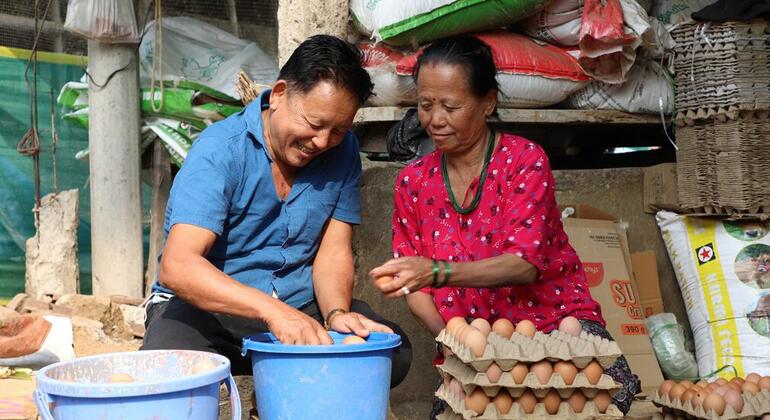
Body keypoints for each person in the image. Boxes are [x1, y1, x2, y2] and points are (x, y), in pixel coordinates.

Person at [368, 35, 639, 415]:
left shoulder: (524, 162)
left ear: (488, 102)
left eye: (451, 106)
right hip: (475, 350)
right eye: (426, 105)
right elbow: (415, 288)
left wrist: (436, 272)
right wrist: (455, 340)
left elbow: (523, 264)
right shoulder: (413, 182)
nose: (435, 119)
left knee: (592, 398)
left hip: (552, 326)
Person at [141, 35, 411, 387]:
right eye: (314, 124)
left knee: (393, 353)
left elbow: (332, 252)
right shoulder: (220, 150)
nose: (322, 142)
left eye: (338, 130)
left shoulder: (341, 151)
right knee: (169, 374)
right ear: (280, 93)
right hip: (207, 311)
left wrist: (336, 314)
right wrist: (273, 312)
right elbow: (178, 266)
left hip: (299, 308)